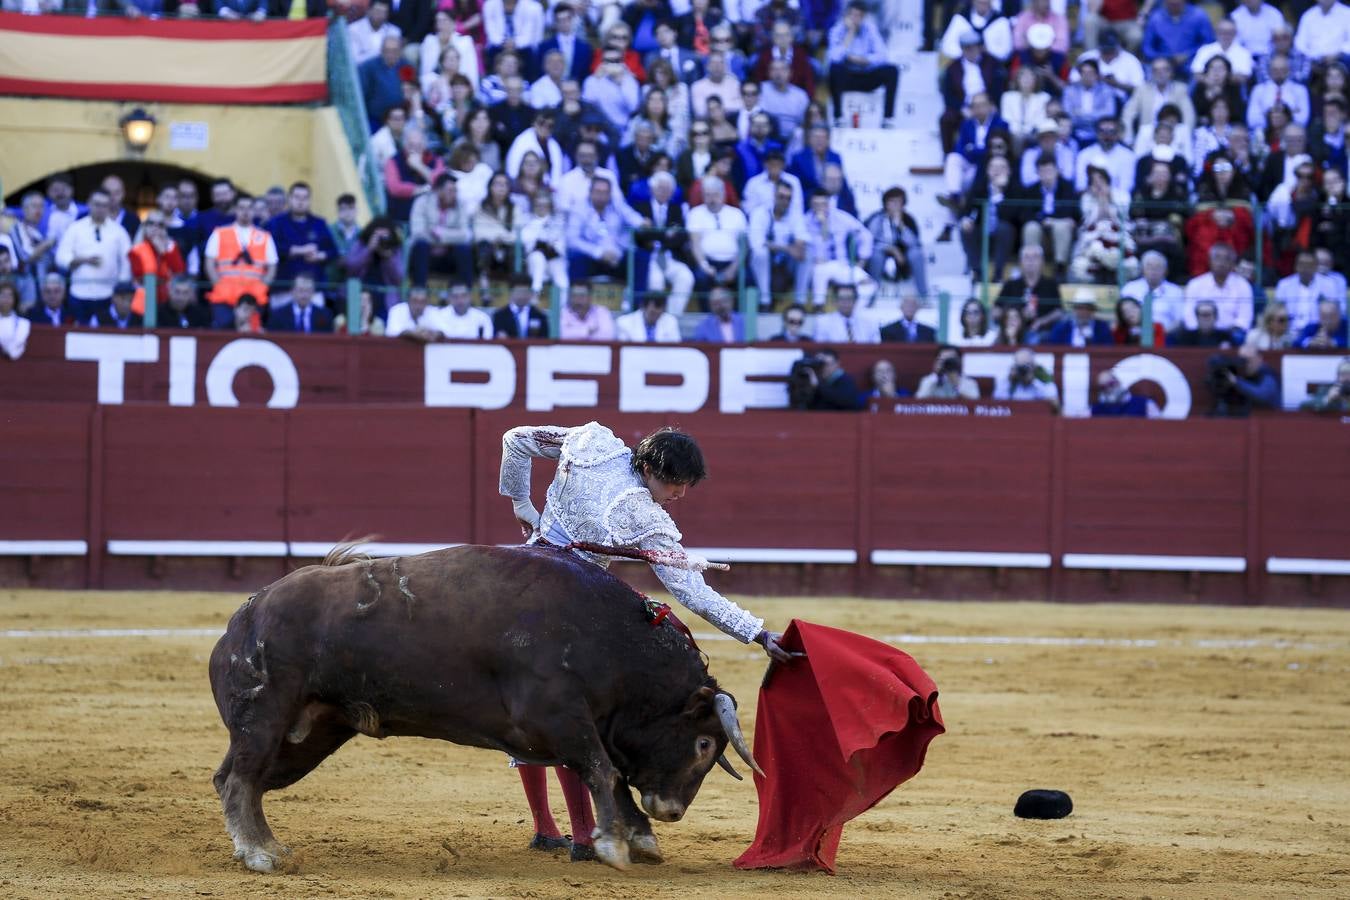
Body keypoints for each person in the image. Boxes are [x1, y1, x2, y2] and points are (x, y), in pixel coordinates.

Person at [54, 189, 131, 324]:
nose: (100, 209)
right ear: (89, 204)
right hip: (79, 294)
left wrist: (120, 289)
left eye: (104, 205)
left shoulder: (119, 231)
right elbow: (61, 256)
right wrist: (80, 260)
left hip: (108, 295)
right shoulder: (75, 228)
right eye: (96, 204)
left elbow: (127, 261)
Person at [204, 194, 277, 329]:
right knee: (223, 336)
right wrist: (218, 284)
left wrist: (262, 286)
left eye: (249, 208)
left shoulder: (264, 236)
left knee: (252, 337)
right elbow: (209, 263)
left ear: (254, 211)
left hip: (253, 299)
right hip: (224, 298)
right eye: (241, 208)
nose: (245, 212)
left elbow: (272, 267)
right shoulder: (220, 233)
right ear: (235, 210)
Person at [409, 173, 475, 288]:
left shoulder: (461, 205)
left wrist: (440, 233)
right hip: (426, 253)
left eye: (455, 190)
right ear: (438, 190)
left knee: (464, 249)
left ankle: (465, 292)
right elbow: (418, 232)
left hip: (448, 254)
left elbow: (466, 235)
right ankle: (420, 291)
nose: (454, 194)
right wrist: (451, 237)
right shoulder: (422, 202)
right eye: (450, 190)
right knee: (421, 245)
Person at [865, 186, 927, 298]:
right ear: (885, 203)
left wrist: (900, 225)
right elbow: (869, 241)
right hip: (881, 253)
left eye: (899, 202)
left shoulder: (908, 219)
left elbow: (914, 243)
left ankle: (923, 296)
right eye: (892, 202)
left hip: (904, 258)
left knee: (916, 254)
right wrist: (892, 250)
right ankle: (870, 297)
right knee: (876, 256)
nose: (895, 206)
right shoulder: (876, 218)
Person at [1207, 345, 1279, 416]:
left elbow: (1262, 395)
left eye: (1248, 360)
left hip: (1269, 418)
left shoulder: (1267, 374)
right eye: (1242, 359)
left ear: (1259, 359)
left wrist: (1236, 382)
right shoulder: (1242, 374)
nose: (1245, 363)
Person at [792, 347, 865, 410]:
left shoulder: (846, 380)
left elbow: (846, 401)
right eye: (819, 364)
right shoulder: (815, 380)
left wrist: (818, 386)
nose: (822, 368)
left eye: (826, 364)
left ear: (837, 364)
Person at [993, 347, 1060, 410]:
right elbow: (997, 401)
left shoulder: (1044, 380)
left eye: (1026, 365)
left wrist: (1033, 382)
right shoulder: (1008, 382)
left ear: (1033, 365)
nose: (1022, 370)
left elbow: (1054, 404)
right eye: (1019, 366)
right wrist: (1010, 381)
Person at [814, 281, 880, 343]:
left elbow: (877, 349)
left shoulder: (870, 323)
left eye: (849, 298)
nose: (845, 302)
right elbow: (820, 350)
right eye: (841, 298)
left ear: (855, 300)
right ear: (835, 301)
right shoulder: (823, 322)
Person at [267, 274, 333, 334]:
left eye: (308, 290)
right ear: (292, 291)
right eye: (300, 290)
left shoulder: (325, 315)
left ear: (313, 292)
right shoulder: (278, 315)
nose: (304, 295)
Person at [915, 344, 980, 399]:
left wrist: (955, 384)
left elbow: (975, 404)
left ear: (959, 362)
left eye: (950, 360)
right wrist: (937, 376)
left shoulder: (969, 383)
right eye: (943, 360)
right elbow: (919, 401)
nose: (947, 363)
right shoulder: (928, 380)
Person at [1091, 369, 1161, 417]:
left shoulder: (1145, 404)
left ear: (1118, 382)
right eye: (1104, 388)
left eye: (1111, 384)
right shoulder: (1097, 409)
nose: (1109, 389)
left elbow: (1159, 427)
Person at [616, 292, 681, 342]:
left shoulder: (671, 321)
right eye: (652, 312)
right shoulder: (624, 322)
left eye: (660, 310)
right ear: (642, 307)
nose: (657, 312)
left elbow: (676, 348)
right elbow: (624, 351)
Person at [0, 279, 30, 361]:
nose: (6, 299)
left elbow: (13, 353)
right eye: (3, 295)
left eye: (10, 295)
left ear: (15, 299)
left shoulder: (23, 324)